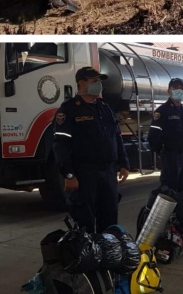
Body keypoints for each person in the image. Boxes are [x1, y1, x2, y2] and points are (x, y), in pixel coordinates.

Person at [52, 66, 130, 233]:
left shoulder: (104, 107)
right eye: (94, 81)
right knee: (85, 223)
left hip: (108, 173)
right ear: (81, 84)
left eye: (99, 82)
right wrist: (69, 175)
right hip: (84, 174)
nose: (98, 85)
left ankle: (107, 254)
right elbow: (61, 145)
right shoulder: (68, 110)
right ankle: (88, 256)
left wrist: (123, 163)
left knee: (109, 220)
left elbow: (116, 137)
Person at [149, 78, 183, 192]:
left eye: (182, 88)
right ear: (169, 90)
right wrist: (161, 153)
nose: (179, 90)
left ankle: (182, 209)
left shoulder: (182, 110)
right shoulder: (162, 111)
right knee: (169, 190)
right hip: (171, 156)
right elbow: (153, 135)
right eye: (176, 88)